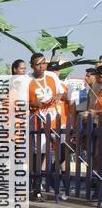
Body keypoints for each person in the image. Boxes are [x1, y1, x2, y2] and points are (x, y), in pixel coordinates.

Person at [28, 53, 68, 199]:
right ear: (32, 65)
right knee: (40, 154)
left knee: (63, 151)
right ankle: (36, 188)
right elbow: (20, 102)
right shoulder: (27, 81)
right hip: (39, 122)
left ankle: (55, 181)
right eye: (38, 64)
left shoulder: (52, 76)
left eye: (43, 63)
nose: (41, 66)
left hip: (57, 120)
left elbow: (62, 93)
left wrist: (58, 96)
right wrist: (33, 104)